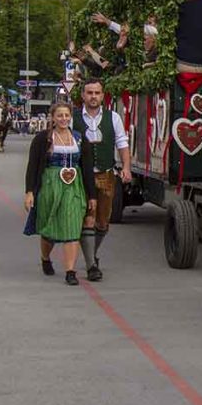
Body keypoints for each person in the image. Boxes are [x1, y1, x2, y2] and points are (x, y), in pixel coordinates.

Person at [24, 101, 97, 286]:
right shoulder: (43, 139)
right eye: (60, 115)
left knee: (73, 226)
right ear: (53, 117)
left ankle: (70, 271)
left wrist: (92, 196)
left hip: (74, 186)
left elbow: (87, 168)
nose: (64, 119)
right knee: (49, 228)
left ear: (70, 116)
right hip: (49, 185)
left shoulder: (79, 138)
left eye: (66, 115)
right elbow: (32, 166)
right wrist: (30, 192)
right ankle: (45, 257)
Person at [73, 79, 131, 282]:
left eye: (97, 93)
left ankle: (92, 253)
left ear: (102, 95)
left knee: (103, 222)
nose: (93, 96)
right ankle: (91, 265)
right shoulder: (72, 118)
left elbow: (122, 142)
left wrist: (126, 167)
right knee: (88, 218)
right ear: (83, 95)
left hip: (106, 173)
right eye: (89, 92)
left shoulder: (113, 117)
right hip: (81, 175)